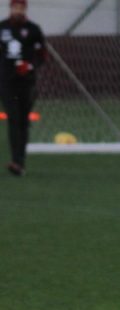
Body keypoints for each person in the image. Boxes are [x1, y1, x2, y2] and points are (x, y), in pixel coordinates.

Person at [0, 0, 45, 177]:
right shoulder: (2, 28)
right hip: (6, 82)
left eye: (20, 8)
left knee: (23, 121)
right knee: (13, 118)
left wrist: (30, 66)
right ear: (10, 8)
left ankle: (20, 161)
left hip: (26, 82)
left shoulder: (33, 30)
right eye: (15, 7)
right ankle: (16, 161)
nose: (17, 10)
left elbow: (42, 55)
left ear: (25, 9)